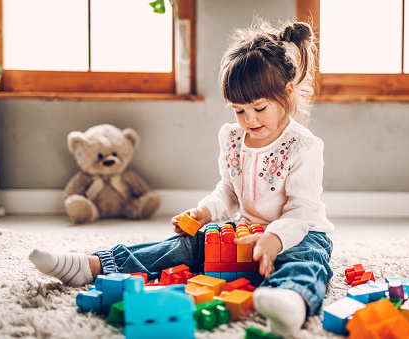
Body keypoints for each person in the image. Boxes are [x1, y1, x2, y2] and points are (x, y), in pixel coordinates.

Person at [29, 19, 334, 337]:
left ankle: (290, 300)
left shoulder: (304, 146)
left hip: (299, 233)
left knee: (307, 259)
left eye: (258, 108)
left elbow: (302, 211)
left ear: (286, 93)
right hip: (245, 231)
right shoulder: (232, 137)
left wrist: (275, 239)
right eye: (239, 110)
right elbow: (228, 190)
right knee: (188, 244)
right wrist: (204, 212)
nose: (249, 119)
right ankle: (93, 265)